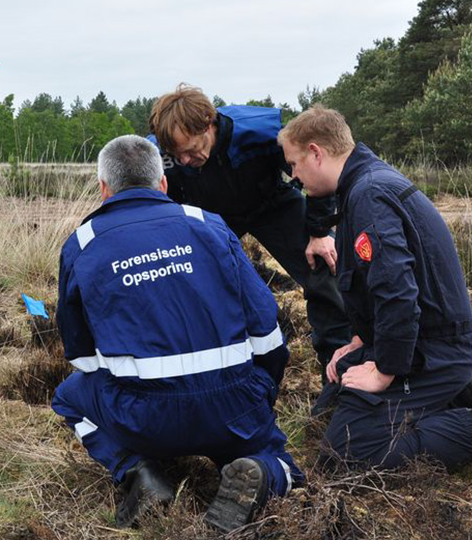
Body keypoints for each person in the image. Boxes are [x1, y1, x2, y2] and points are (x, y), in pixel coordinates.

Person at [51, 135, 302, 532]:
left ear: (103, 189)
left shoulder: (83, 244)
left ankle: (136, 470)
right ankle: (264, 469)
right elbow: (267, 328)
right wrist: (259, 393)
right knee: (279, 459)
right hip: (234, 408)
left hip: (144, 418)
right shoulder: (210, 226)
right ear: (163, 183)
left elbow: (80, 357)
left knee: (69, 398)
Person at [278, 106, 472, 470]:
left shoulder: (369, 195)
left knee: (345, 454)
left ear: (316, 152)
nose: (294, 178)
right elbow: (378, 286)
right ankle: (452, 397)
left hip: (435, 349)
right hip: (420, 341)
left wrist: (384, 370)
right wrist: (359, 343)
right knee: (333, 400)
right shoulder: (363, 186)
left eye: (294, 165)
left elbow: (397, 293)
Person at [147, 85, 351, 375]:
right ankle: (213, 366)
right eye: (177, 155)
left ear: (209, 123)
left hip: (272, 204)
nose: (185, 161)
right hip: (208, 217)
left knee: (323, 268)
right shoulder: (158, 154)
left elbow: (317, 177)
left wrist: (319, 232)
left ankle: (338, 367)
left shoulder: (259, 134)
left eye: (192, 151)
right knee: (191, 285)